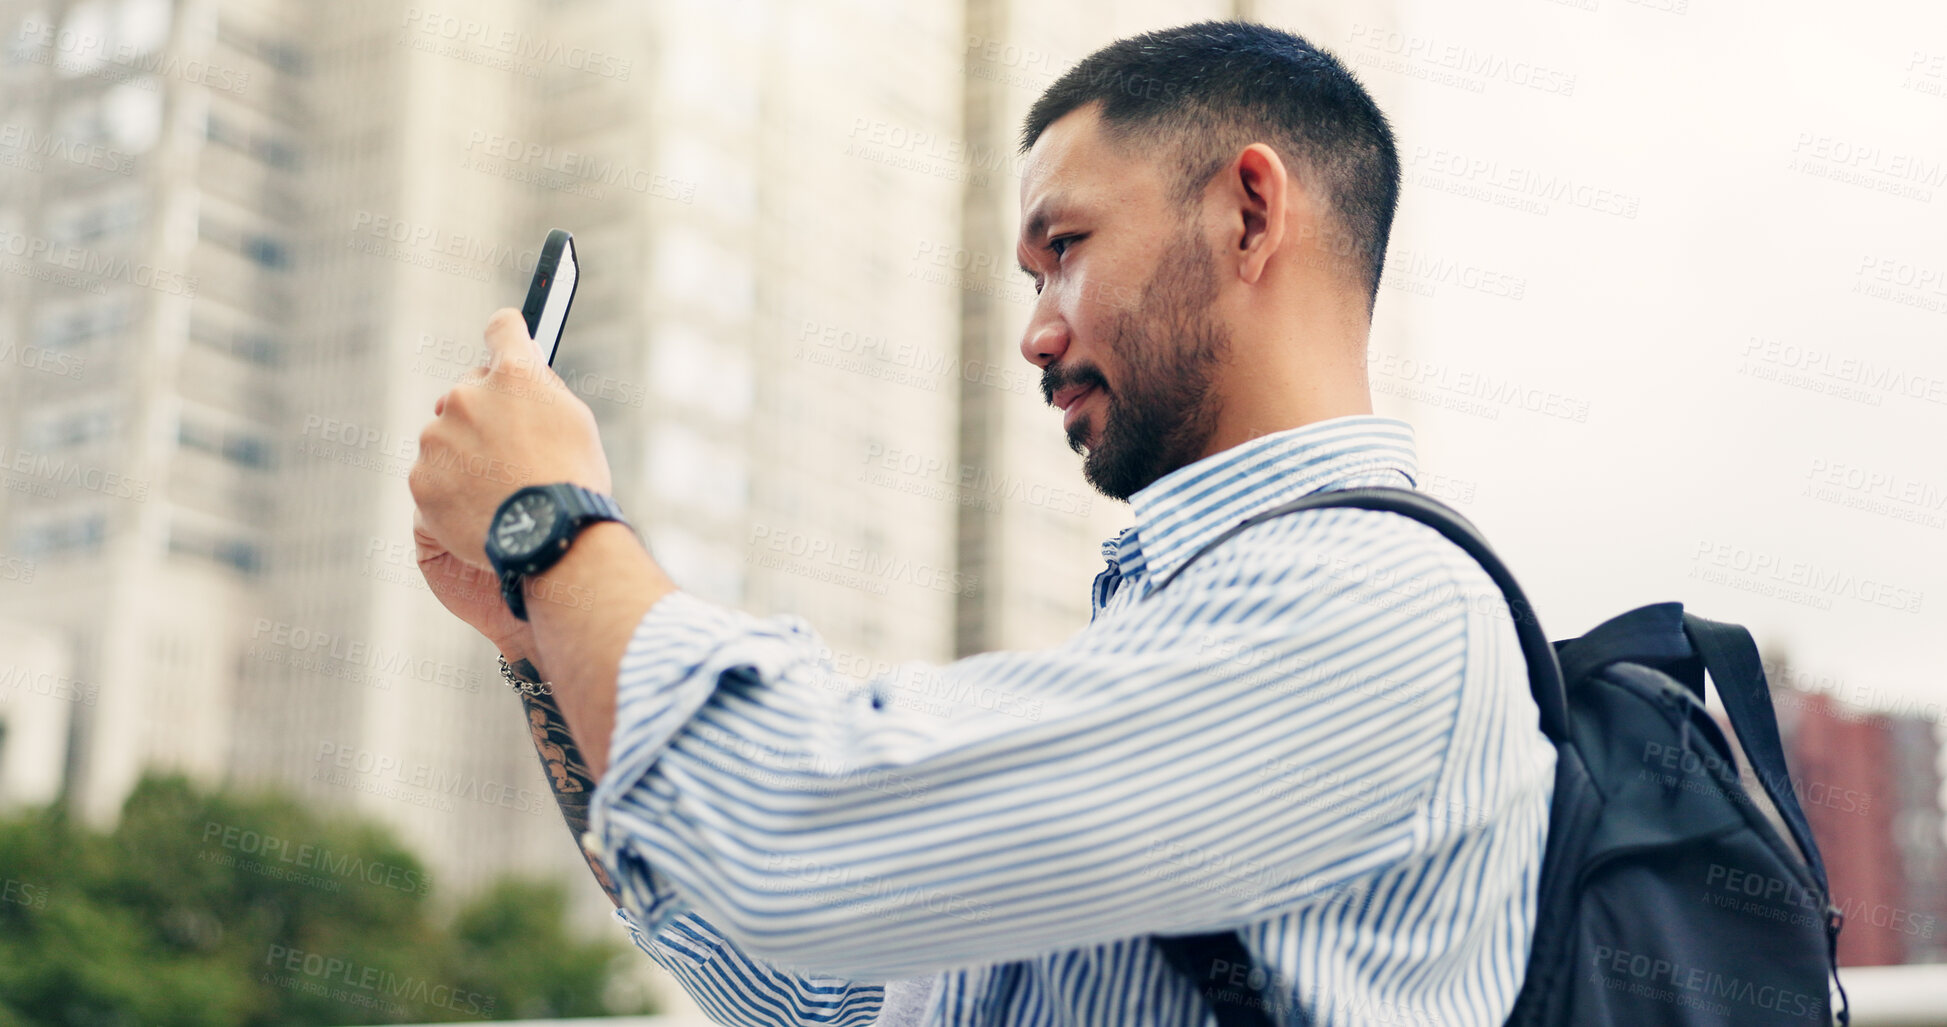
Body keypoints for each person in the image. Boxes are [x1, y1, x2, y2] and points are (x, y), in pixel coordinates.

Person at [409, 19, 1555, 1027]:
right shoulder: (1185, 620)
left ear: (1250, 212)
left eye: (1066, 251)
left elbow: (794, 831)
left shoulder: (1367, 607)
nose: (1037, 334)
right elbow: (827, 989)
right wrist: (535, 640)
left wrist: (546, 520)